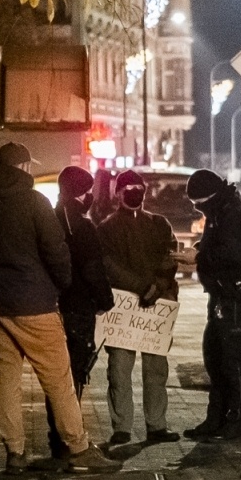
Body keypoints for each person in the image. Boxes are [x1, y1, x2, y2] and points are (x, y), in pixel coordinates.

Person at [0, 142, 120, 474]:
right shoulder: (34, 202)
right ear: (22, 168)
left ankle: (15, 453)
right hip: (35, 304)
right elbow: (57, 251)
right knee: (59, 379)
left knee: (7, 378)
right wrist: (57, 285)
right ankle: (78, 447)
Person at [99, 170, 179, 446]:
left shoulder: (159, 224)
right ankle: (122, 426)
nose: (135, 192)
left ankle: (156, 425)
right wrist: (143, 286)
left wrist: (157, 286)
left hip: (154, 307)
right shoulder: (107, 228)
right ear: (118, 193)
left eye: (139, 188)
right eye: (129, 188)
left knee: (156, 370)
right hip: (125, 310)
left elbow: (170, 257)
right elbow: (107, 264)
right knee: (119, 370)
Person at [184, 168, 241, 443]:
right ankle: (215, 419)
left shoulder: (232, 211)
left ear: (209, 197)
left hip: (237, 297)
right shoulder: (220, 209)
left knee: (237, 362)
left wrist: (198, 255)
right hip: (222, 295)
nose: (198, 210)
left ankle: (235, 423)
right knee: (217, 359)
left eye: (198, 204)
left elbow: (231, 252)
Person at [44, 165, 114, 460]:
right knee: (74, 373)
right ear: (82, 193)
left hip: (50, 304)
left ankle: (57, 435)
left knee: (56, 373)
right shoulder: (83, 228)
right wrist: (105, 299)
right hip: (78, 306)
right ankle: (68, 437)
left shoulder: (49, 220)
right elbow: (93, 269)